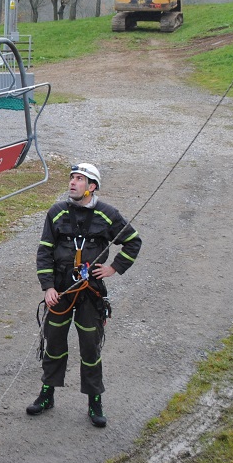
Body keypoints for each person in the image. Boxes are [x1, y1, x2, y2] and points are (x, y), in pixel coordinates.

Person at [27, 163, 142, 427]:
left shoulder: (108, 214)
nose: (72, 182)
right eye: (72, 178)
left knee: (90, 347)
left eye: (79, 179)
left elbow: (133, 241)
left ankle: (94, 401)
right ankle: (47, 394)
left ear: (92, 187)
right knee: (54, 344)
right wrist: (48, 287)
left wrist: (114, 268)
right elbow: (44, 251)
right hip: (60, 291)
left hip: (91, 293)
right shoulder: (56, 212)